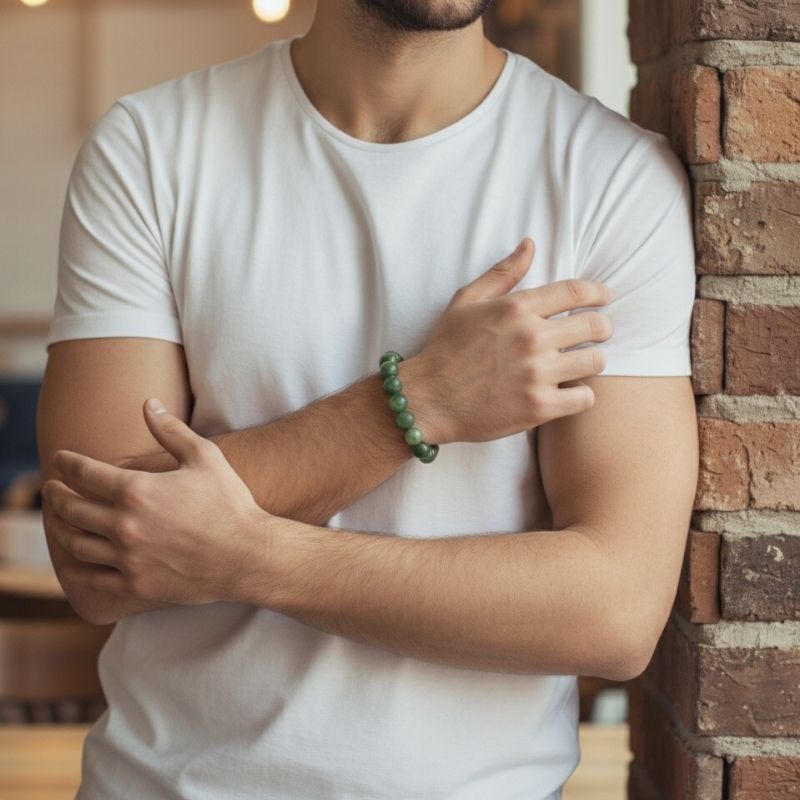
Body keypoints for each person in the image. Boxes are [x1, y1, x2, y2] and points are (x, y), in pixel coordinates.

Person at [36, 1, 699, 798]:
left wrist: (254, 559)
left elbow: (615, 611)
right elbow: (98, 554)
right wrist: (414, 403)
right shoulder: (153, 147)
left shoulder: (611, 179)